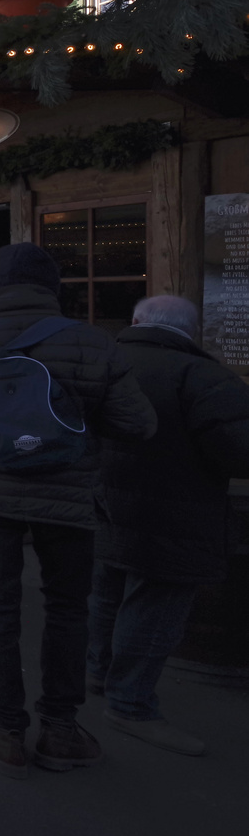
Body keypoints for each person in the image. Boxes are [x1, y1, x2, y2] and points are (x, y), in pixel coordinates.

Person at [0, 242, 156, 779]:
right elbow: (139, 424)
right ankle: (60, 727)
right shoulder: (93, 343)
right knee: (69, 609)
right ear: (53, 287)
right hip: (69, 495)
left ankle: (6, 726)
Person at [90, 296, 249, 756]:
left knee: (108, 588)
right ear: (192, 331)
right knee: (155, 606)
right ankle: (130, 703)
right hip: (177, 510)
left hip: (106, 497)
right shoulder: (205, 376)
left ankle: (99, 672)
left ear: (137, 322)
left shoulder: (104, 363)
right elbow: (240, 451)